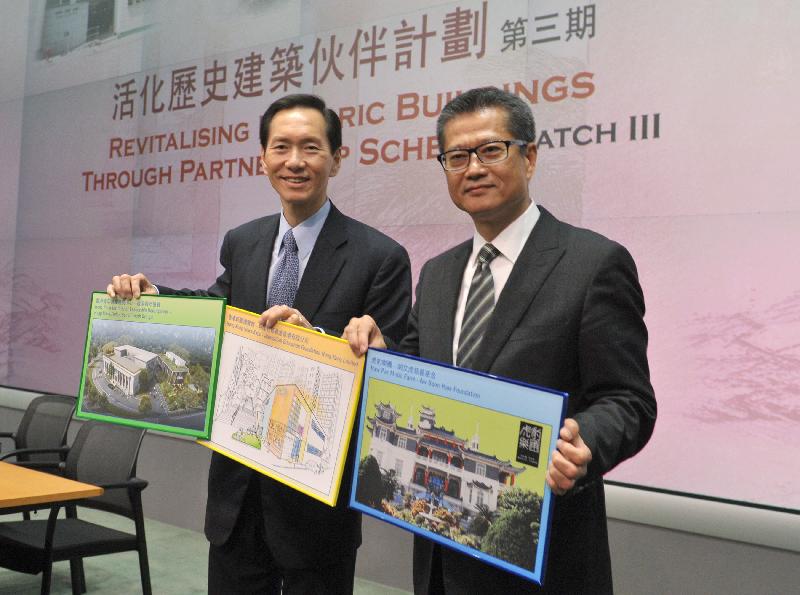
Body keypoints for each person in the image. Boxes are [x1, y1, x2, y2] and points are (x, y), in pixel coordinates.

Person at [342, 87, 657, 594]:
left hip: (544, 555)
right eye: (457, 156)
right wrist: (383, 357)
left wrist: (586, 442)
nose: (474, 168)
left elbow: (630, 400)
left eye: (492, 150)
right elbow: (427, 378)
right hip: (442, 559)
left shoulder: (593, 263)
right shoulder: (440, 273)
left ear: (529, 157)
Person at [108, 94, 412, 594]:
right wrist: (151, 296)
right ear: (263, 159)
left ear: (337, 158)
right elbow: (217, 309)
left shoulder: (380, 257)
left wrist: (313, 339)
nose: (295, 161)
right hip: (237, 492)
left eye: (311, 148)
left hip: (314, 504)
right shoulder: (244, 240)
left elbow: (392, 370)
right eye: (281, 147)